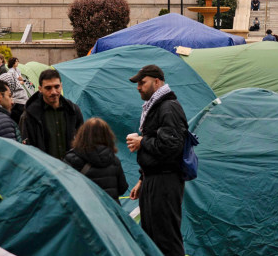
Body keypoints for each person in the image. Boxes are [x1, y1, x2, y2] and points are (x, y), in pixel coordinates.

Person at [127, 65, 188, 256]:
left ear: (157, 82)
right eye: (137, 83)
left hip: (166, 181)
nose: (138, 87)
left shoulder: (168, 107)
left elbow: (171, 145)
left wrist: (142, 141)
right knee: (151, 236)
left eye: (142, 83)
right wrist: (142, 179)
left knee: (166, 238)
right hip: (153, 179)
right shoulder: (156, 106)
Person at [20, 69, 85, 160]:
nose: (53, 92)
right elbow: (28, 151)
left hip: (70, 166)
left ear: (61, 86)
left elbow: (83, 141)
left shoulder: (73, 110)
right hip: (44, 167)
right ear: (40, 89)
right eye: (48, 88)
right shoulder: (30, 115)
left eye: (56, 87)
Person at [65, 117, 128, 201]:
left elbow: (64, 187)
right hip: (109, 207)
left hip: (85, 207)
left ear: (82, 134)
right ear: (108, 136)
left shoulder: (71, 158)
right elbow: (122, 188)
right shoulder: (114, 160)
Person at [0, 56, 29, 124]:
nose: (17, 62)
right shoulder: (10, 72)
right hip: (18, 98)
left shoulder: (17, 70)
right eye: (16, 61)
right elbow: (10, 82)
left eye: (18, 61)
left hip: (18, 99)